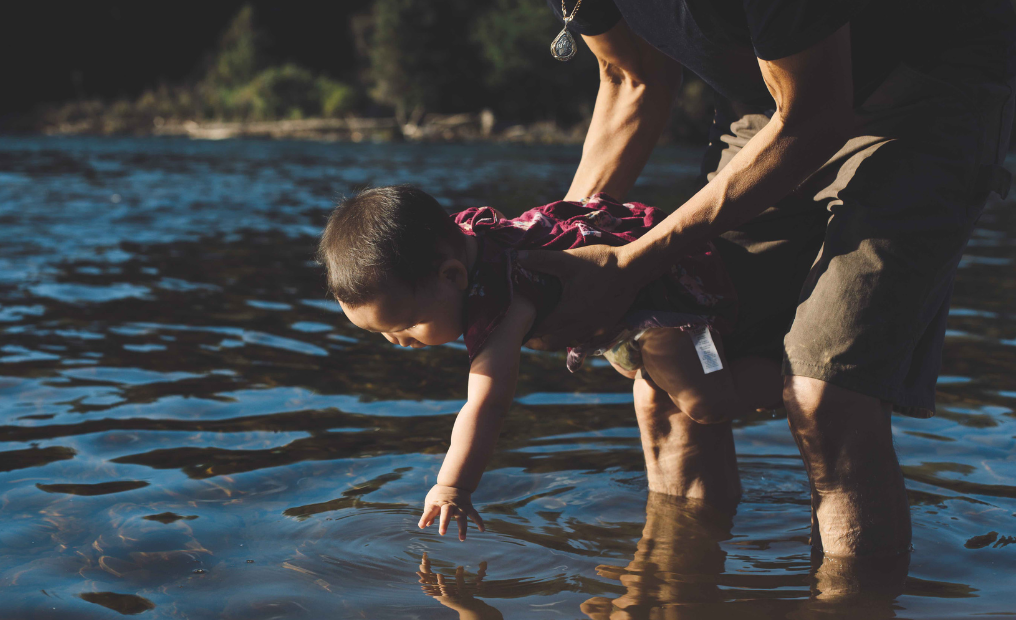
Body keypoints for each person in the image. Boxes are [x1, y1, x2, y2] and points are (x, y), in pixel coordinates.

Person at [527, 0, 1016, 558]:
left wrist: (632, 263)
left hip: (926, 93)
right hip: (769, 100)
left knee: (827, 397)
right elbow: (631, 77)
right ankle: (678, 599)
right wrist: (552, 247)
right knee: (668, 368)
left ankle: (849, 612)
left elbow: (815, 116)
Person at [317, 185, 781, 540]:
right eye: (384, 334)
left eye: (409, 324)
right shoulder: (461, 239)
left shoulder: (500, 302)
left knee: (707, 403)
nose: (398, 341)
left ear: (452, 276)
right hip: (631, 292)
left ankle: (789, 381)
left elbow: (486, 405)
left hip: (673, 290)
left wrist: (452, 486)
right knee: (647, 378)